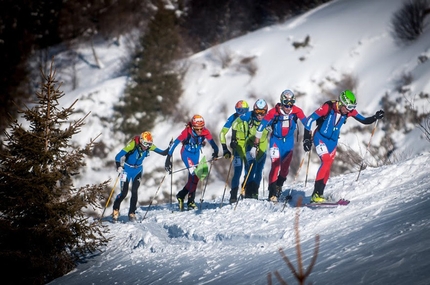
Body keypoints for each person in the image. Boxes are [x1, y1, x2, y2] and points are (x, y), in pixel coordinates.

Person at [303, 90, 384, 203]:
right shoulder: (328, 107)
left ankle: (320, 194)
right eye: (348, 107)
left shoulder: (348, 111)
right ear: (341, 103)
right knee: (325, 161)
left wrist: (375, 117)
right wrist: (306, 138)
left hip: (333, 142)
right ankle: (315, 195)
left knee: (327, 166)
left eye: (352, 108)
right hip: (320, 137)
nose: (349, 110)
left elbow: (364, 120)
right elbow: (309, 120)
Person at [253, 89, 307, 202]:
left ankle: (279, 186)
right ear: (281, 103)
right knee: (275, 165)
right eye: (286, 105)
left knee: (285, 168)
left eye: (290, 105)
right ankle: (272, 192)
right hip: (275, 141)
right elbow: (262, 125)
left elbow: (307, 122)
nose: (288, 108)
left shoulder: (296, 111)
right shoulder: (274, 112)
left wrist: (309, 136)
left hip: (288, 142)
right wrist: (257, 139)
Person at [165, 114, 219, 211]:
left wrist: (216, 152)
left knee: (195, 178)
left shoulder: (205, 131)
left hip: (196, 154)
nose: (199, 131)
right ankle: (191, 202)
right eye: (196, 129)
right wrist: (168, 157)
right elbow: (175, 143)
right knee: (194, 174)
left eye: (201, 129)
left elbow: (213, 144)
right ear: (193, 127)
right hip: (186, 154)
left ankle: (181, 195)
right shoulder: (187, 132)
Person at [113, 131, 167, 221]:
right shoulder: (132, 144)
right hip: (126, 169)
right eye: (145, 144)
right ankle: (115, 208)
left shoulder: (148, 147)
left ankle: (132, 213)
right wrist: (118, 166)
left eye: (149, 144)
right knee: (124, 193)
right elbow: (118, 156)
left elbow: (163, 152)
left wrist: (170, 147)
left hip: (137, 170)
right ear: (141, 141)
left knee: (134, 191)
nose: (147, 146)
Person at [234, 99, 270, 199]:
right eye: (257, 112)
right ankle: (247, 189)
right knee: (251, 167)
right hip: (250, 144)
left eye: (262, 113)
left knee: (259, 170)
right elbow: (235, 122)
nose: (259, 115)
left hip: (262, 145)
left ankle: (255, 190)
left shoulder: (269, 118)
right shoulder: (249, 115)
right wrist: (234, 137)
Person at [219, 100, 250, 204]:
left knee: (250, 169)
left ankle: (246, 191)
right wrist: (225, 148)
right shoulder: (233, 118)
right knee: (237, 171)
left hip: (248, 147)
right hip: (237, 148)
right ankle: (233, 195)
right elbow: (222, 133)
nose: (241, 113)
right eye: (238, 110)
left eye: (244, 110)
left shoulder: (250, 117)